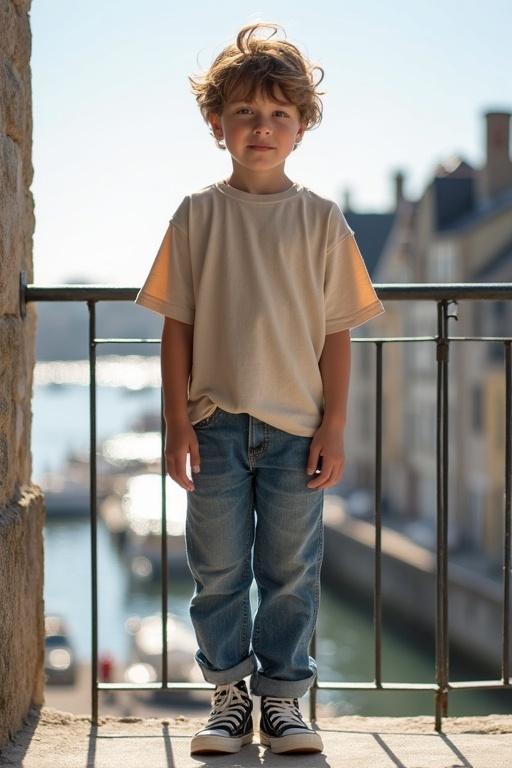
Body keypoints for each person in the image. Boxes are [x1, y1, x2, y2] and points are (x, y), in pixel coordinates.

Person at [134, 20, 385, 756]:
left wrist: (334, 427)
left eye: (280, 114)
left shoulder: (322, 220)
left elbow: (339, 332)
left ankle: (283, 703)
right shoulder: (196, 215)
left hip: (296, 431)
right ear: (218, 124)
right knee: (216, 572)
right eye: (245, 112)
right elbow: (174, 328)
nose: (262, 127)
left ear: (302, 127)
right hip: (211, 425)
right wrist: (176, 424)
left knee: (290, 574)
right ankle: (227, 698)